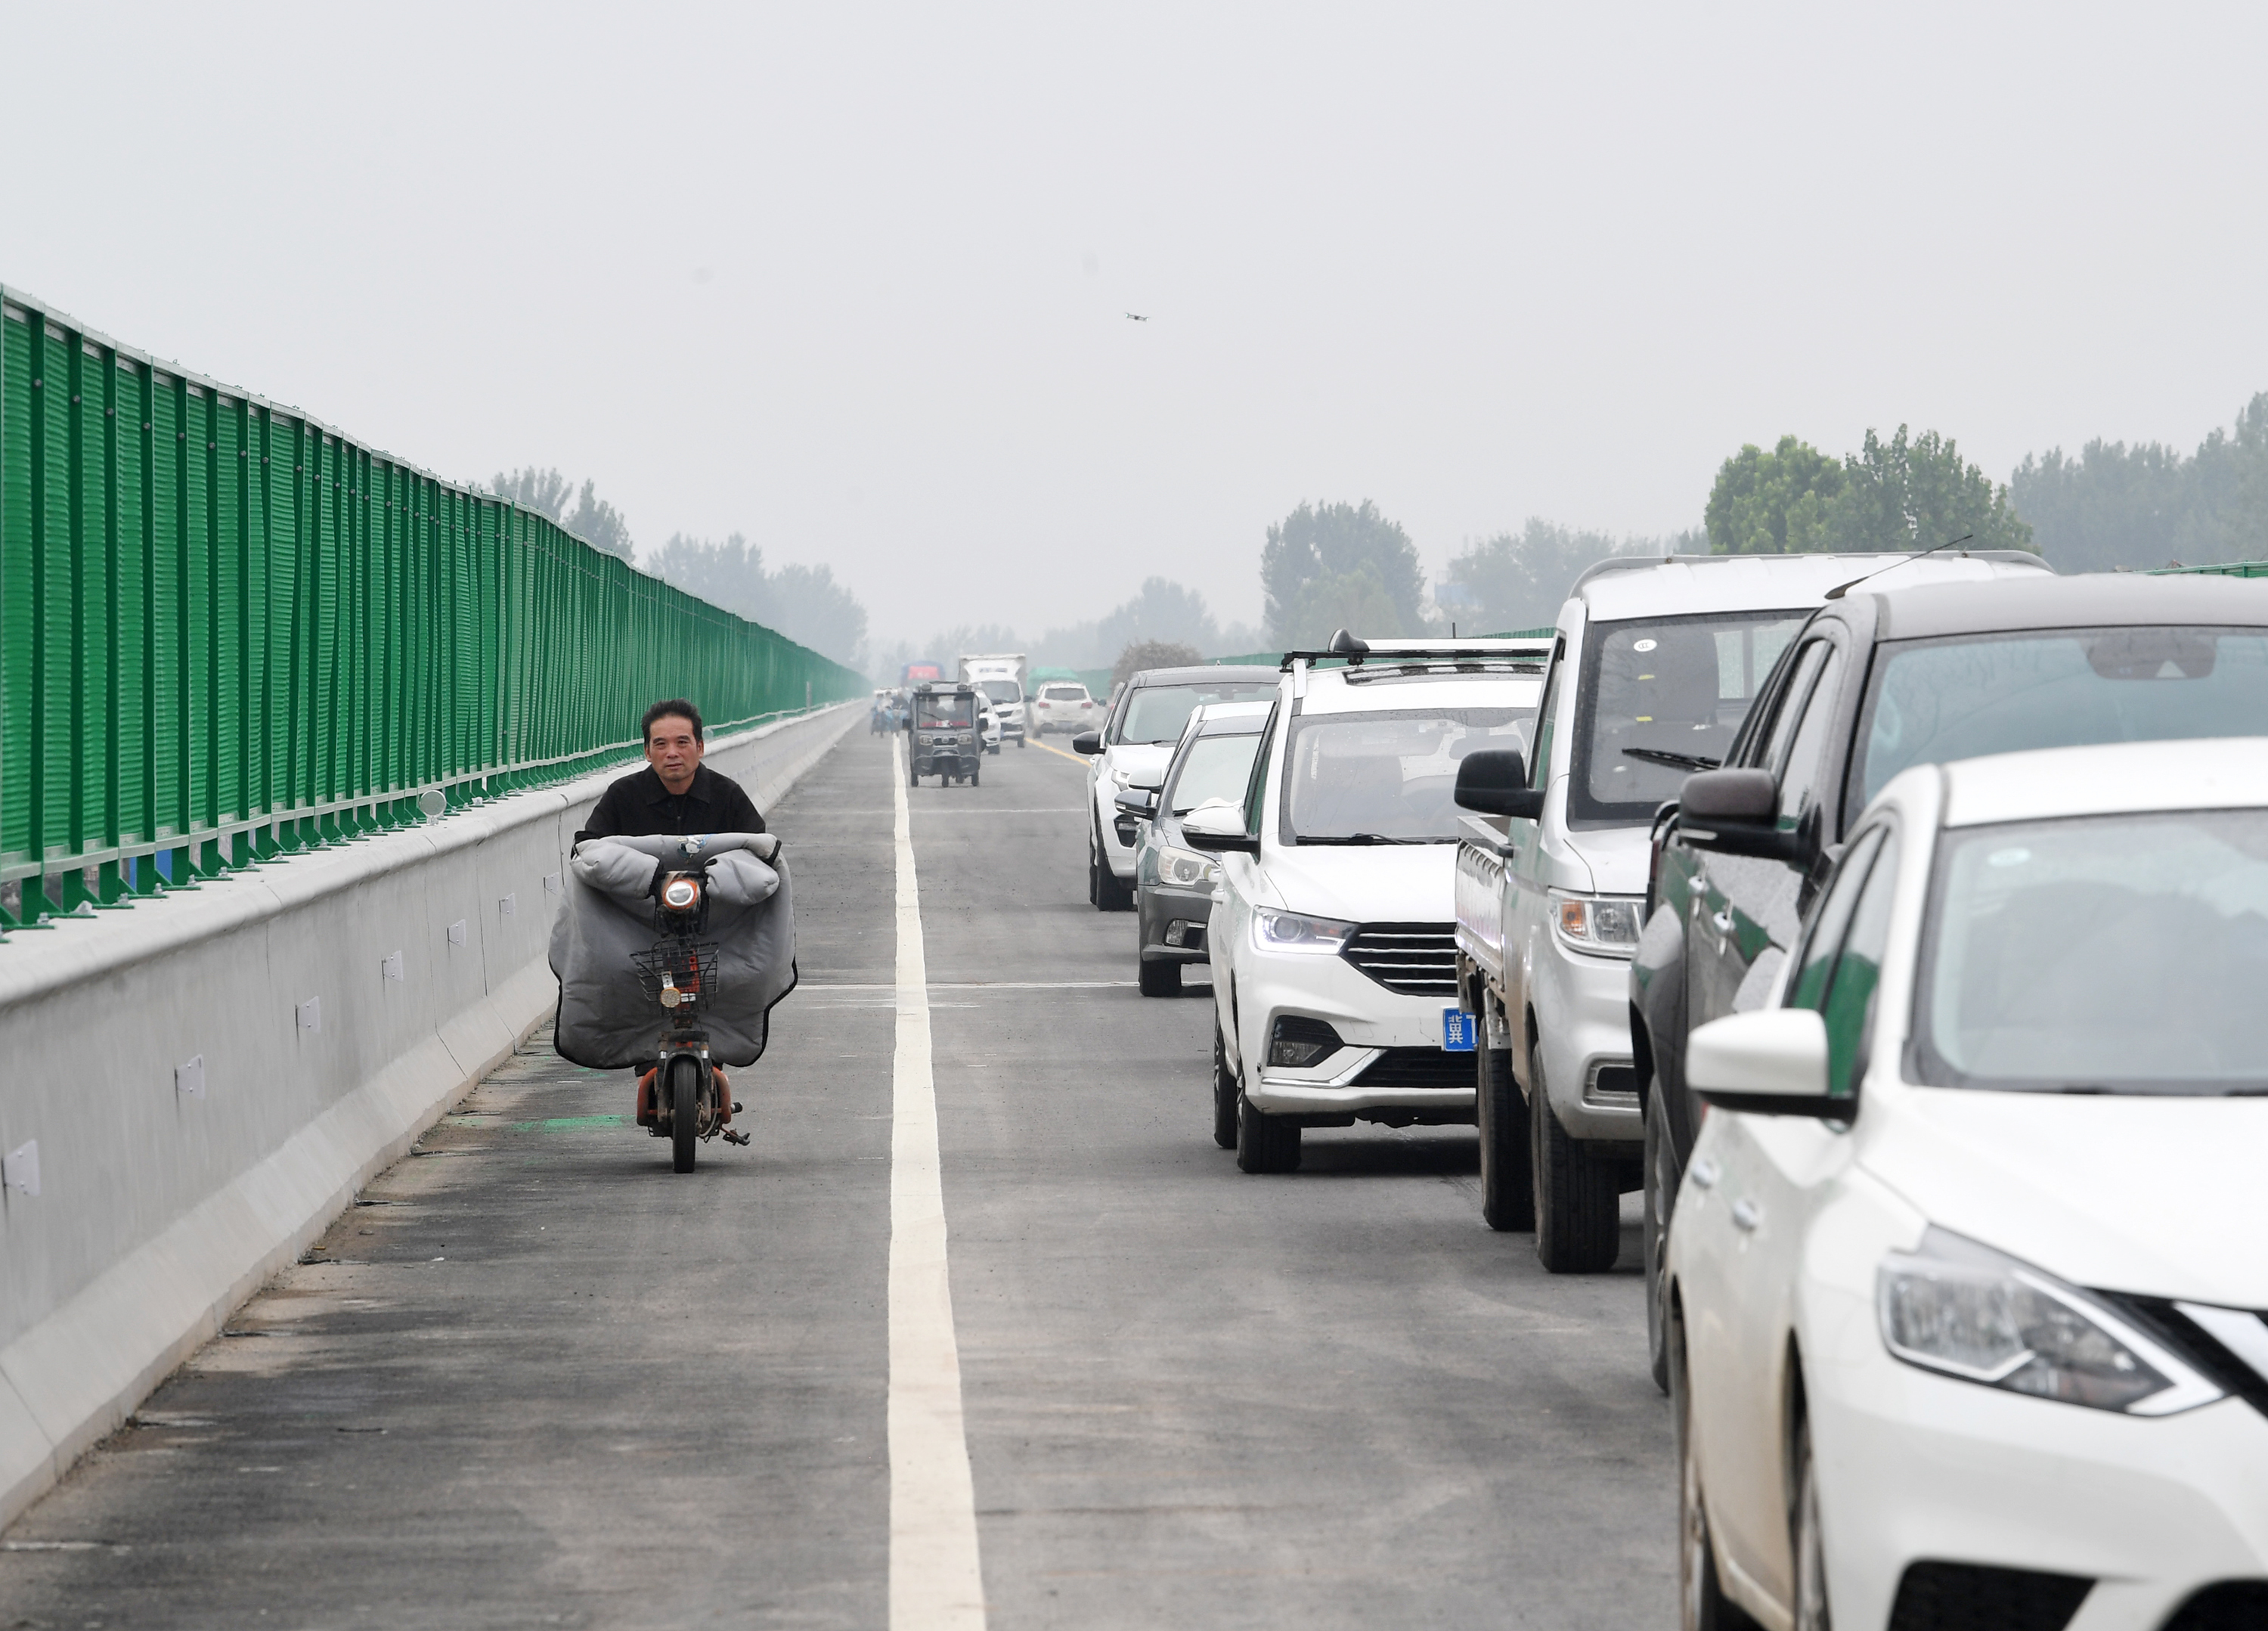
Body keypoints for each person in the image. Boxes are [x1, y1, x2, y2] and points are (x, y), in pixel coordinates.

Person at [576, 699, 769, 1130]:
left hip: (713, 924)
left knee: (731, 978)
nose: (672, 753)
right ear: (647, 751)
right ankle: (648, 1057)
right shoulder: (623, 796)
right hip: (644, 923)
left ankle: (713, 1057)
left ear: (700, 746)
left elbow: (758, 848)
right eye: (660, 744)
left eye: (683, 742)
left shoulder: (727, 795)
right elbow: (589, 848)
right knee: (625, 977)